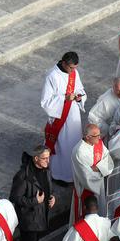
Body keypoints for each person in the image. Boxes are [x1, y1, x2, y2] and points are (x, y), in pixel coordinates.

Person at [41, 51, 85, 183]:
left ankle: (73, 174)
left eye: (75, 68)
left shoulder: (74, 73)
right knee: (61, 146)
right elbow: (45, 101)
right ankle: (59, 175)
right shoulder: (52, 76)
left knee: (73, 145)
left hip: (73, 116)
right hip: (59, 115)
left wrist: (79, 97)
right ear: (64, 63)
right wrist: (64, 98)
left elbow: (80, 88)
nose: (73, 71)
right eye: (71, 68)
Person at [9, 145, 55, 241]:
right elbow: (14, 198)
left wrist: (52, 197)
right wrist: (35, 201)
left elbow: (48, 187)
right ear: (36, 158)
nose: (48, 161)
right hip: (29, 221)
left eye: (48, 158)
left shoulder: (46, 169)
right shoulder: (23, 176)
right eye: (44, 158)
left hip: (41, 217)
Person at [70, 124, 114, 223]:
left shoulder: (98, 143)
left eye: (99, 134)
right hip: (86, 189)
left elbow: (109, 160)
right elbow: (87, 177)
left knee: (100, 209)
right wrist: (102, 170)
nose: (100, 137)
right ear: (87, 137)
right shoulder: (79, 151)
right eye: (96, 135)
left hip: (100, 186)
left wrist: (98, 167)